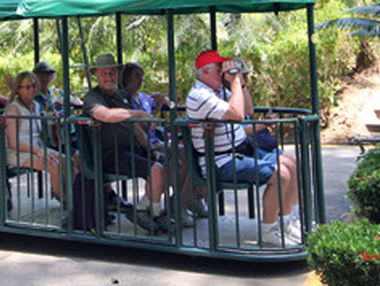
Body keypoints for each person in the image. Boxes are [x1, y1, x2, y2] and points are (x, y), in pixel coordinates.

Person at [186, 50, 300, 246]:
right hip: (220, 162)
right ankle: (269, 230)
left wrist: (240, 81)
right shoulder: (200, 95)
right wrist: (235, 82)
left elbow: (247, 110)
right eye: (219, 69)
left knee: (291, 161)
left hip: (238, 151)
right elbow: (237, 114)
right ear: (205, 72)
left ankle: (287, 221)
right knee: (280, 175)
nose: (223, 72)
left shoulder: (218, 91)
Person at [82, 53, 168, 233]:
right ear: (96, 74)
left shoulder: (122, 95)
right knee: (156, 170)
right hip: (109, 154)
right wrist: (138, 114)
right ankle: (148, 212)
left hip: (132, 149)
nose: (109, 77)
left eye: (112, 73)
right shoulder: (92, 97)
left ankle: (157, 209)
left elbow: (136, 127)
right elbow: (106, 115)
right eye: (104, 73)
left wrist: (150, 148)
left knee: (174, 164)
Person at [120, 62, 203, 225]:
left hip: (156, 140)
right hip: (142, 144)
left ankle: (189, 199)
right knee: (177, 162)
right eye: (137, 76)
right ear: (126, 77)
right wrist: (150, 147)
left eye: (142, 76)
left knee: (191, 153)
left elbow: (168, 109)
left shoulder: (144, 97)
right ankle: (179, 203)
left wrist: (161, 103)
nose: (140, 80)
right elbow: (137, 126)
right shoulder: (123, 99)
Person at [3, 71, 69, 201]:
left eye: (34, 86)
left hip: (36, 148)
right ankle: (66, 201)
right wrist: (38, 151)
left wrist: (55, 116)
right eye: (27, 87)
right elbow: (13, 143)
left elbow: (43, 116)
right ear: (18, 89)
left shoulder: (36, 105)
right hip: (18, 152)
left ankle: (78, 198)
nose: (32, 90)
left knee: (68, 161)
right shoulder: (13, 109)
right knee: (54, 165)